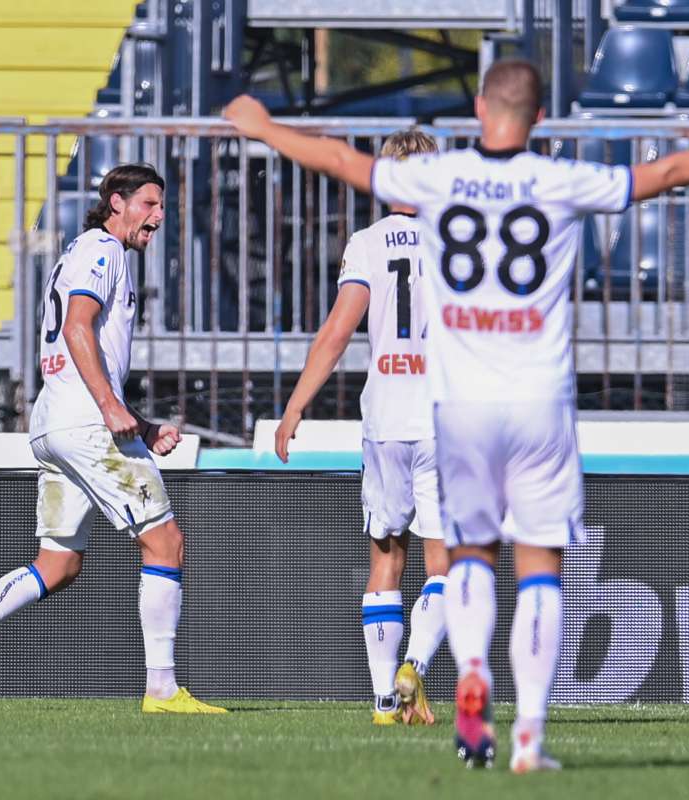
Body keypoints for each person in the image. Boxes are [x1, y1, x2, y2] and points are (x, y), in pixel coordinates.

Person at [225, 60, 689, 771]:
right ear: (540, 117)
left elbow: (341, 161)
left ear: (478, 109)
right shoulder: (559, 179)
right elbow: (669, 172)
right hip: (537, 401)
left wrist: (265, 127)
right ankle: (527, 732)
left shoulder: (440, 181)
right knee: (539, 568)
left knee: (467, 557)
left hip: (461, 405)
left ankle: (469, 677)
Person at [0, 164, 226, 715]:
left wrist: (141, 425)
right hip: (86, 423)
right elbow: (78, 326)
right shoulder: (104, 252)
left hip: (55, 421)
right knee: (165, 543)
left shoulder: (82, 252)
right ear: (116, 202)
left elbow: (82, 346)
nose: (159, 216)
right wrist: (110, 408)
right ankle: (162, 689)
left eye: (162, 206)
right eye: (149, 204)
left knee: (58, 564)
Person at [275, 129, 449, 727]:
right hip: (444, 418)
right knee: (446, 564)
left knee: (385, 560)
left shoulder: (367, 243)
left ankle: (382, 702)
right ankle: (415, 667)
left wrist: (296, 406)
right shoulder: (458, 241)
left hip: (386, 418)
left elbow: (335, 333)